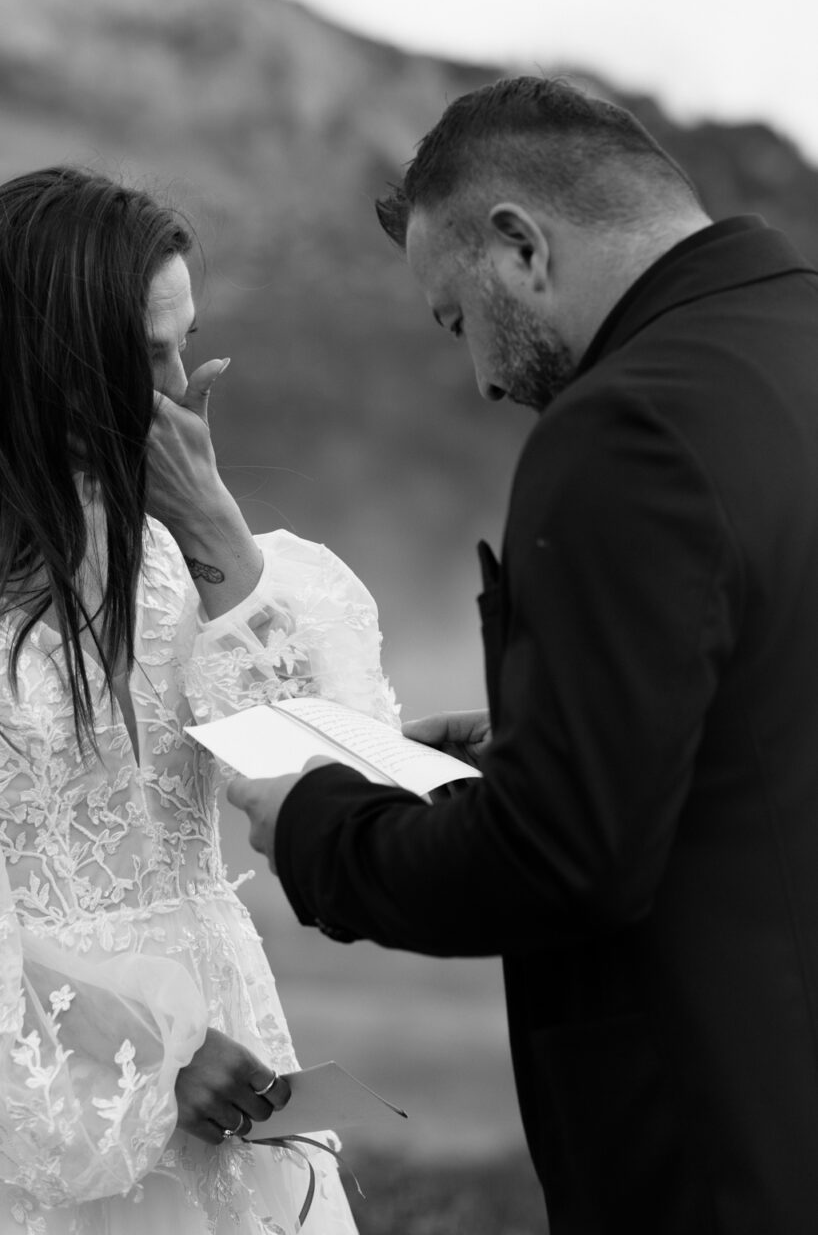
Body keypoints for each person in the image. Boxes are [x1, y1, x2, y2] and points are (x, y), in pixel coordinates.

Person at [228, 76, 818, 1234]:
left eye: (458, 320)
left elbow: (568, 857)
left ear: (519, 246)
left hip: (715, 1145)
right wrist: (539, 743)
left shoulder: (620, 430)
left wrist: (319, 829)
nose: (485, 381)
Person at [0, 166, 399, 1235]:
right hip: (29, 1121)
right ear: (46, 363)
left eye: (185, 345)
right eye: (146, 356)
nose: (177, 388)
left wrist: (218, 533)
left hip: (238, 1093)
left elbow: (339, 780)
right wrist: (155, 1049)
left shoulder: (195, 563)